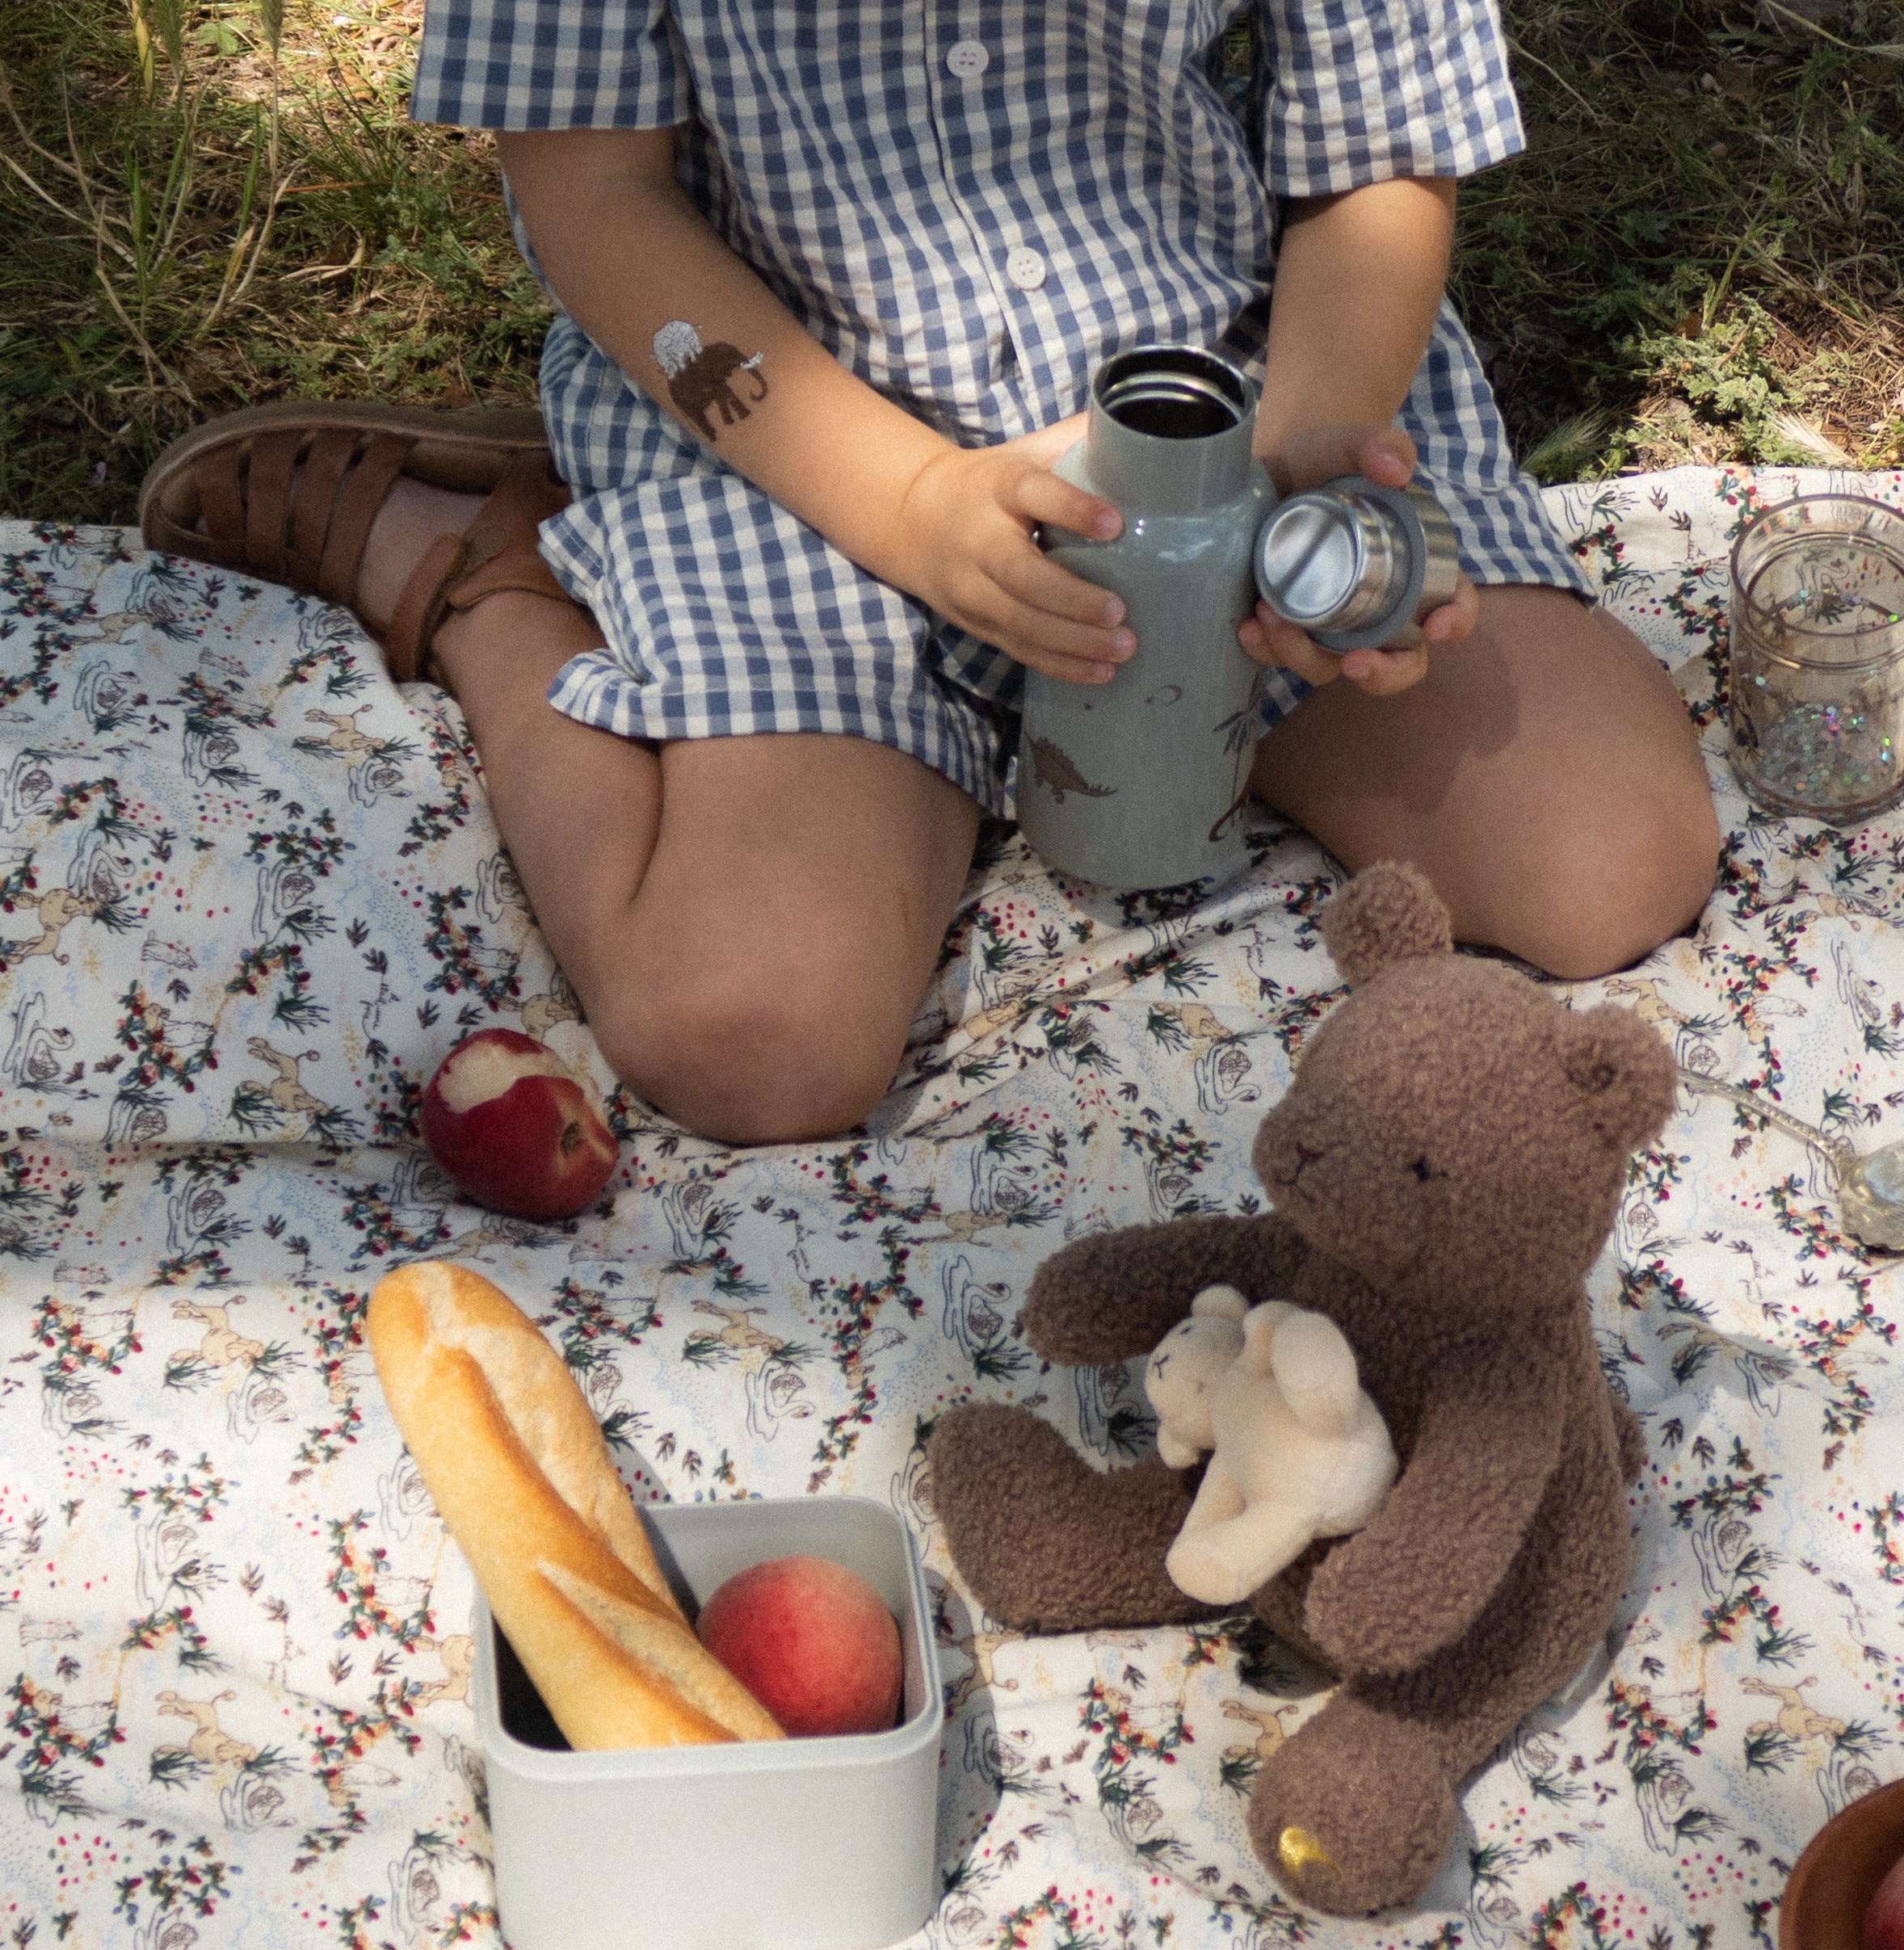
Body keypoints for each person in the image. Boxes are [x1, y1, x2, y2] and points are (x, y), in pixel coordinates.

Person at [137, 2, 1719, 1146]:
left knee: (1607, 856)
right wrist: (904, 507)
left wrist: (1305, 453)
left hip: (1222, 394)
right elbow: (590, 194)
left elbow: (1380, 157)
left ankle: (987, 731)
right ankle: (495, 583)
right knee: (752, 1039)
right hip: (791, 437)